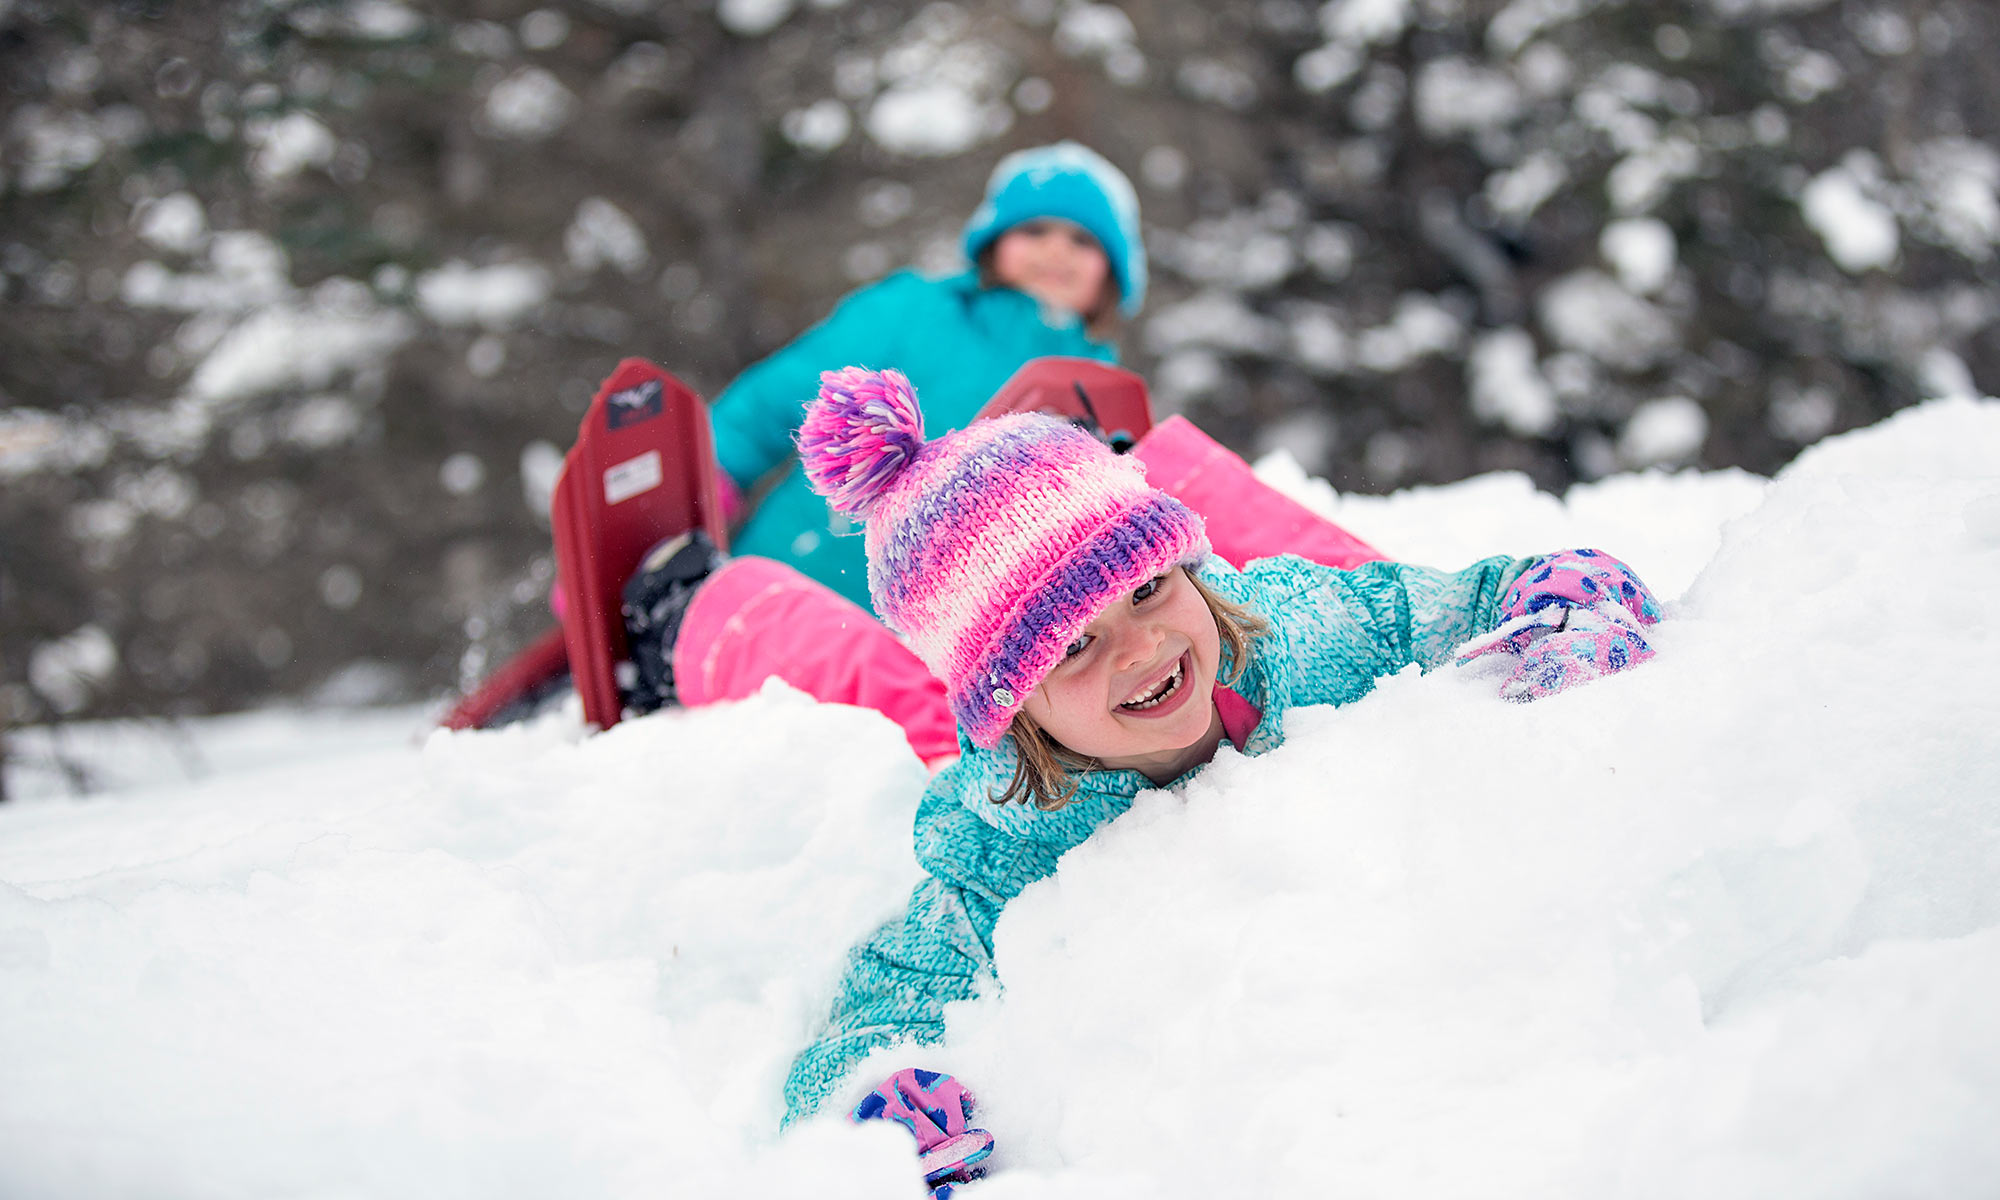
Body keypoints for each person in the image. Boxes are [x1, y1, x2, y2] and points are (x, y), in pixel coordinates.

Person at [629, 367, 1663, 1195]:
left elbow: (1433, 604)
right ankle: (695, 611)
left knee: (1287, 571)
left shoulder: (1295, 633)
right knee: (882, 690)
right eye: (1073, 643)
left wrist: (1552, 592)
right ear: (1014, 705)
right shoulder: (1004, 830)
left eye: (1148, 589)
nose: (1139, 650)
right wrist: (878, 1099)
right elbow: (884, 1002)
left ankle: (1120, 474)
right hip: (997, 723)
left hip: (1201, 607)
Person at [707, 141, 1147, 610]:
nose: (1056, 250)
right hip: (791, 574)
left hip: (929, 643)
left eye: (1082, 240)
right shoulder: (913, 310)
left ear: (1112, 272)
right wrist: (715, 471)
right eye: (1035, 230)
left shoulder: (1100, 395)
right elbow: (785, 393)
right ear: (994, 242)